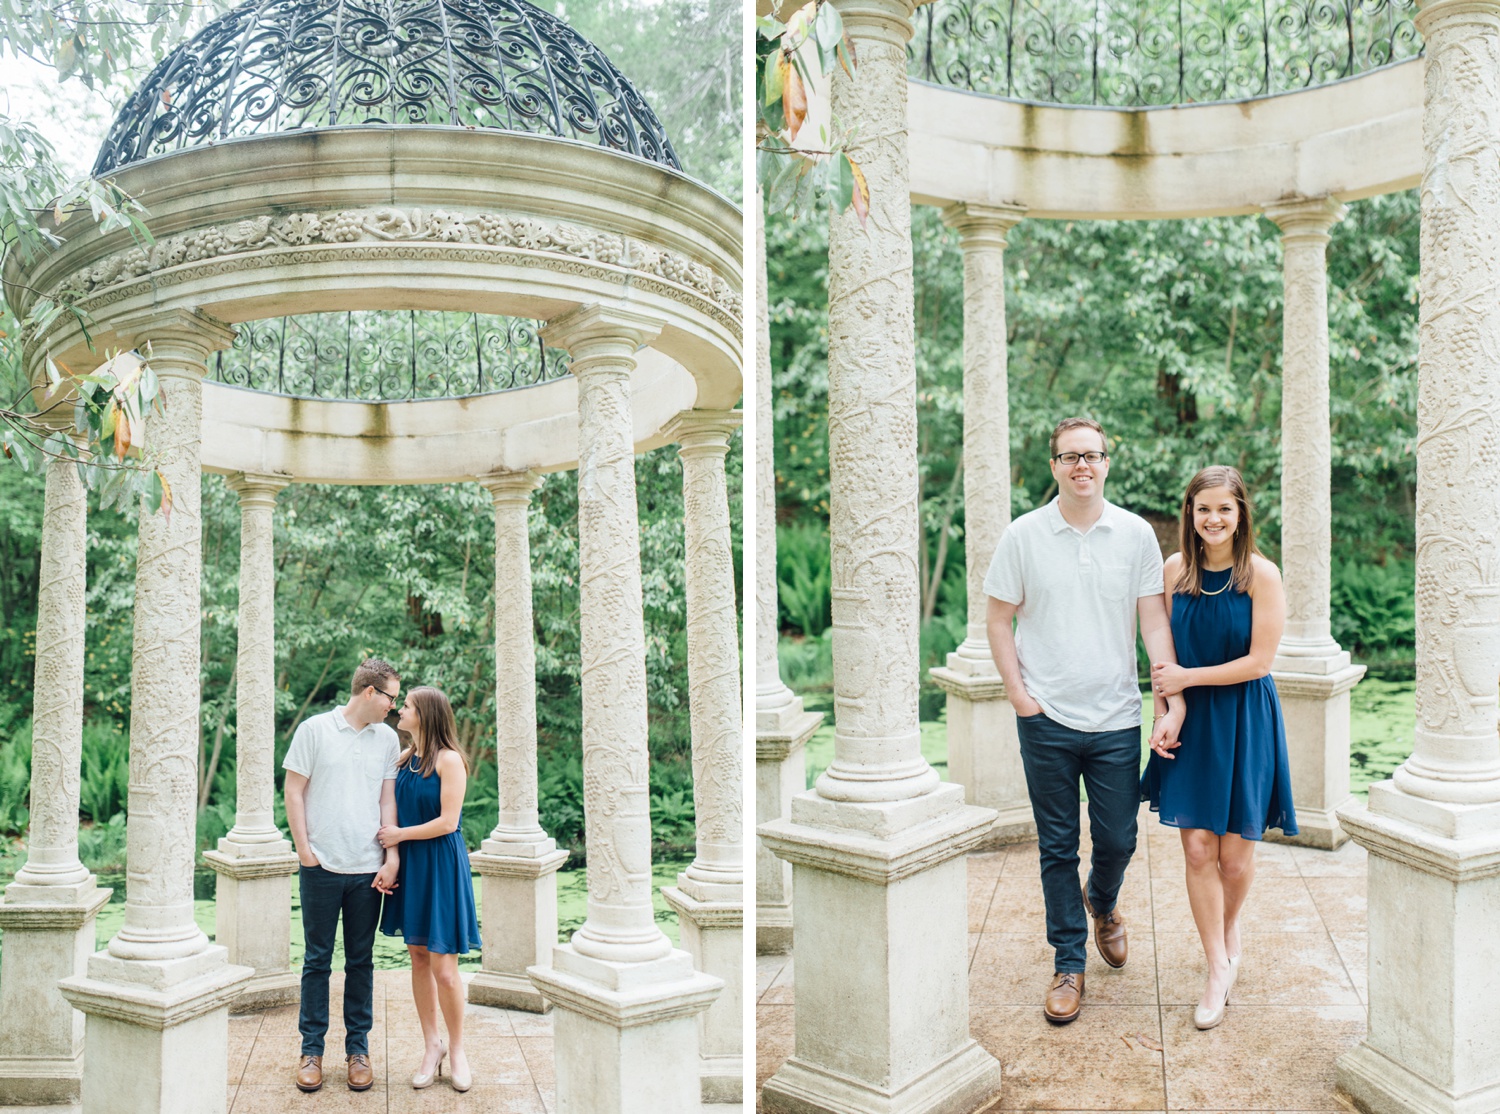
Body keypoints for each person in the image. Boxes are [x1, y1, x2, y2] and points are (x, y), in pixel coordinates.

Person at [985, 417, 1185, 1024]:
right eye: (1069, 457)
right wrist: (1020, 695)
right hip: (1045, 716)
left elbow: (1153, 622)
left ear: (1105, 463)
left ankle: (1103, 903)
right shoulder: (1023, 535)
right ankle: (1068, 961)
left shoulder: (1134, 535)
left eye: (1091, 456)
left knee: (1119, 839)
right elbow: (998, 619)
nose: (1081, 466)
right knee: (1056, 846)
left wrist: (1167, 697)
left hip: (1116, 716)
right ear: (1053, 467)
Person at [1141, 465, 1297, 1030]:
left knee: (1234, 858)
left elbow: (1260, 662)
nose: (1213, 519)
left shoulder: (1261, 574)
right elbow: (1162, 656)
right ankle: (1215, 965)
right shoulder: (1174, 570)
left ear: (1240, 515)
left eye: (1224, 509)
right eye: (1203, 508)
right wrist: (1167, 709)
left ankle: (1230, 927)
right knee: (1198, 851)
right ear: (1190, 513)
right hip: (1193, 719)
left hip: (1245, 717)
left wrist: (1187, 681)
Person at [283, 658, 402, 1093]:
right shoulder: (314, 730)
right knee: (316, 960)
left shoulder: (388, 738)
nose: (395, 704)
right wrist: (304, 851)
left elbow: (387, 801)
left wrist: (391, 857)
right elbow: (293, 790)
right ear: (370, 692)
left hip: (368, 868)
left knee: (360, 961)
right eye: (391, 696)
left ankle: (358, 1049)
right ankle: (311, 1050)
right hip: (322, 865)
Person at [376, 686, 481, 1092]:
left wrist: (399, 834)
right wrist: (394, 854)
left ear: (426, 715)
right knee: (418, 957)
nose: (399, 710)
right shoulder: (405, 758)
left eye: (406, 706)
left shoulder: (450, 760)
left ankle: (456, 1049)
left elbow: (448, 822)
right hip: (412, 866)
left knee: (445, 968)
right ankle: (430, 1045)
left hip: (439, 863)